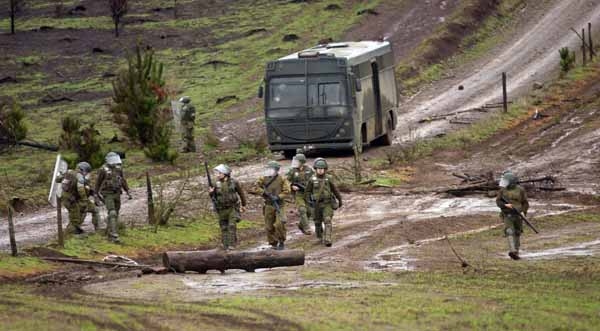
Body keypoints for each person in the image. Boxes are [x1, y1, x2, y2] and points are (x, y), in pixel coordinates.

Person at [304, 158, 342, 247]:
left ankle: (328, 239)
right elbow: (307, 192)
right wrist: (309, 201)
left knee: (327, 220)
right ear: (315, 169)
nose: (320, 170)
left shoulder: (328, 179)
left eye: (322, 169)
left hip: (327, 203)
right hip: (316, 204)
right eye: (318, 169)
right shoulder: (312, 180)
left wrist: (340, 200)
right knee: (317, 222)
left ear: (325, 169)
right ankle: (319, 237)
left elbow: (335, 190)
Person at [209, 164, 247, 250]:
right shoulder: (215, 183)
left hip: (232, 208)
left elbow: (241, 194)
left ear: (225, 173)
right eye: (217, 173)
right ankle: (225, 245)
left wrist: (244, 205)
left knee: (232, 226)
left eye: (219, 173)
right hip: (221, 209)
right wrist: (211, 193)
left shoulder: (234, 182)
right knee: (224, 227)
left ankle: (231, 246)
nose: (217, 175)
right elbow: (213, 197)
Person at [95, 152, 132, 243]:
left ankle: (110, 231)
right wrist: (96, 194)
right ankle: (114, 236)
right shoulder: (103, 170)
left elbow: (122, 180)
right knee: (112, 213)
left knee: (116, 213)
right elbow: (98, 183)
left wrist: (127, 191)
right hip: (107, 194)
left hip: (117, 193)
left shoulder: (119, 168)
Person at [256, 161, 290, 250]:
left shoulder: (282, 179)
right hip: (268, 205)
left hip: (279, 205)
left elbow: (287, 191)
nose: (269, 171)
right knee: (269, 226)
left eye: (271, 169)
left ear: (276, 170)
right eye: (268, 169)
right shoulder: (263, 178)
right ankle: (273, 243)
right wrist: (263, 192)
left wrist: (278, 197)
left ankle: (281, 241)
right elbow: (255, 188)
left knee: (280, 224)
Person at [496, 170, 529, 260]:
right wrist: (505, 205)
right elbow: (498, 201)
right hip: (507, 214)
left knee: (517, 232)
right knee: (509, 231)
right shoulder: (502, 190)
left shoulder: (520, 190)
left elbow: (525, 203)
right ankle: (512, 250)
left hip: (518, 215)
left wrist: (523, 211)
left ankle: (516, 252)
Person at [59, 161, 95, 235]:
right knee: (75, 218)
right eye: (86, 172)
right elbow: (79, 189)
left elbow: (58, 180)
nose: (86, 174)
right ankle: (69, 234)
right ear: (82, 170)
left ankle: (74, 230)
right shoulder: (76, 176)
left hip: (72, 198)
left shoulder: (72, 174)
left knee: (81, 213)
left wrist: (90, 191)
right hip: (70, 199)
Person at [286, 153, 314, 235]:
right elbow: (286, 181)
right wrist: (291, 186)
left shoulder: (309, 170)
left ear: (302, 162)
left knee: (309, 212)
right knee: (302, 210)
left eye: (297, 161)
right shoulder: (292, 171)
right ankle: (307, 228)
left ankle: (301, 225)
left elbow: (315, 179)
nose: (295, 163)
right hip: (298, 194)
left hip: (308, 193)